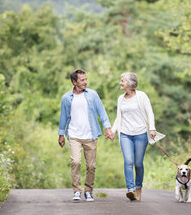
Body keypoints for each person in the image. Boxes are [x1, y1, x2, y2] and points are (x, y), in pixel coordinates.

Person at [58, 69, 114, 202]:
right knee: (75, 162)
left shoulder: (92, 95)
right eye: (82, 80)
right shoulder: (66, 98)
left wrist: (108, 128)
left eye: (86, 79)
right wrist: (61, 135)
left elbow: (102, 112)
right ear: (74, 82)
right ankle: (77, 191)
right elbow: (63, 117)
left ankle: (88, 191)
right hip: (74, 135)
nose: (85, 82)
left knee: (91, 166)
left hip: (90, 134)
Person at [111, 72, 164, 201]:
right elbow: (119, 117)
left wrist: (152, 128)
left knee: (138, 163)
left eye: (122, 81)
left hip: (140, 133)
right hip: (125, 134)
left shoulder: (142, 96)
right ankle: (131, 190)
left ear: (129, 83)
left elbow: (150, 113)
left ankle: (138, 187)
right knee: (128, 161)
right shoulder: (120, 99)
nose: (120, 83)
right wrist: (112, 131)